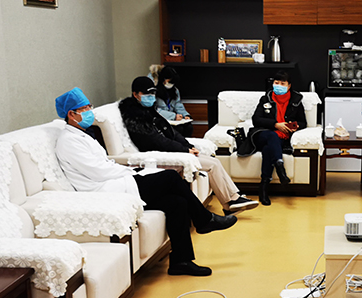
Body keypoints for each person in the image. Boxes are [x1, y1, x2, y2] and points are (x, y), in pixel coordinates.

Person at [53, 87, 236, 277]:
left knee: (177, 203)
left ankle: (181, 262)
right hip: (104, 189)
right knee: (171, 177)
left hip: (116, 180)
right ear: (71, 114)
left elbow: (104, 165)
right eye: (85, 109)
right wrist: (131, 171)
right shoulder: (69, 141)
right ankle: (204, 220)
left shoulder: (83, 135)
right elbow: (98, 171)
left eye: (89, 107)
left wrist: (131, 171)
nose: (90, 111)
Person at [121, 76, 258, 216]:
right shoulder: (134, 116)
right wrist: (184, 150)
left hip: (170, 150)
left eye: (152, 93)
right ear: (135, 94)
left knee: (214, 161)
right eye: (146, 94)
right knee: (212, 165)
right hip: (158, 155)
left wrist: (189, 146)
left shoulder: (150, 110)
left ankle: (233, 198)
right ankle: (229, 203)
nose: (150, 97)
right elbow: (156, 141)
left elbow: (171, 132)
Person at [243, 71, 307, 206]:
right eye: (276, 83)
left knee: (268, 149)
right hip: (263, 134)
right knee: (272, 136)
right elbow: (256, 120)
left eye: (282, 83)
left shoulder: (296, 101)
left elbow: (303, 122)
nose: (279, 86)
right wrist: (275, 125)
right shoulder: (265, 99)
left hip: (281, 138)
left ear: (289, 86)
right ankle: (280, 167)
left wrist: (293, 126)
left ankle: (264, 188)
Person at [154, 66, 194, 138]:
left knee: (189, 127)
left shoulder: (175, 90)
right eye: (170, 82)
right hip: (163, 119)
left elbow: (178, 104)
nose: (171, 84)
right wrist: (173, 116)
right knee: (178, 129)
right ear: (163, 79)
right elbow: (156, 110)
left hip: (174, 120)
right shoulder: (155, 92)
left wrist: (185, 115)